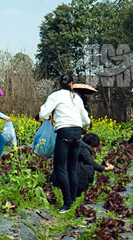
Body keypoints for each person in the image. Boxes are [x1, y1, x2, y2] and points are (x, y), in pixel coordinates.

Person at [39, 73, 91, 213]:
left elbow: (43, 114)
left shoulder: (56, 95)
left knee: (60, 168)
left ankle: (67, 203)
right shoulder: (77, 98)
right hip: (77, 132)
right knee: (72, 168)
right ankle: (73, 201)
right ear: (72, 84)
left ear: (59, 84)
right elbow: (86, 120)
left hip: (64, 132)